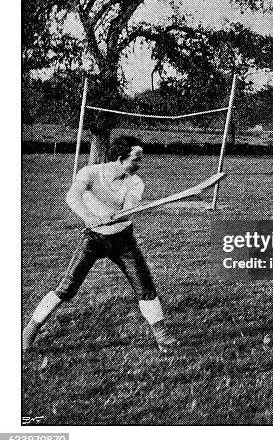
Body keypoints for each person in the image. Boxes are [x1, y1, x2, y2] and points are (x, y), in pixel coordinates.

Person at [22, 136, 178, 353]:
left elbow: (127, 213)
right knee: (67, 288)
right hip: (94, 238)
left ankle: (162, 336)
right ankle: (31, 329)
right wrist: (88, 216)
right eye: (136, 159)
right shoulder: (90, 173)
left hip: (123, 239)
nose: (139, 165)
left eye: (140, 160)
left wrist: (117, 215)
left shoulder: (136, 182)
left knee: (145, 287)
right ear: (119, 157)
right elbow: (72, 196)